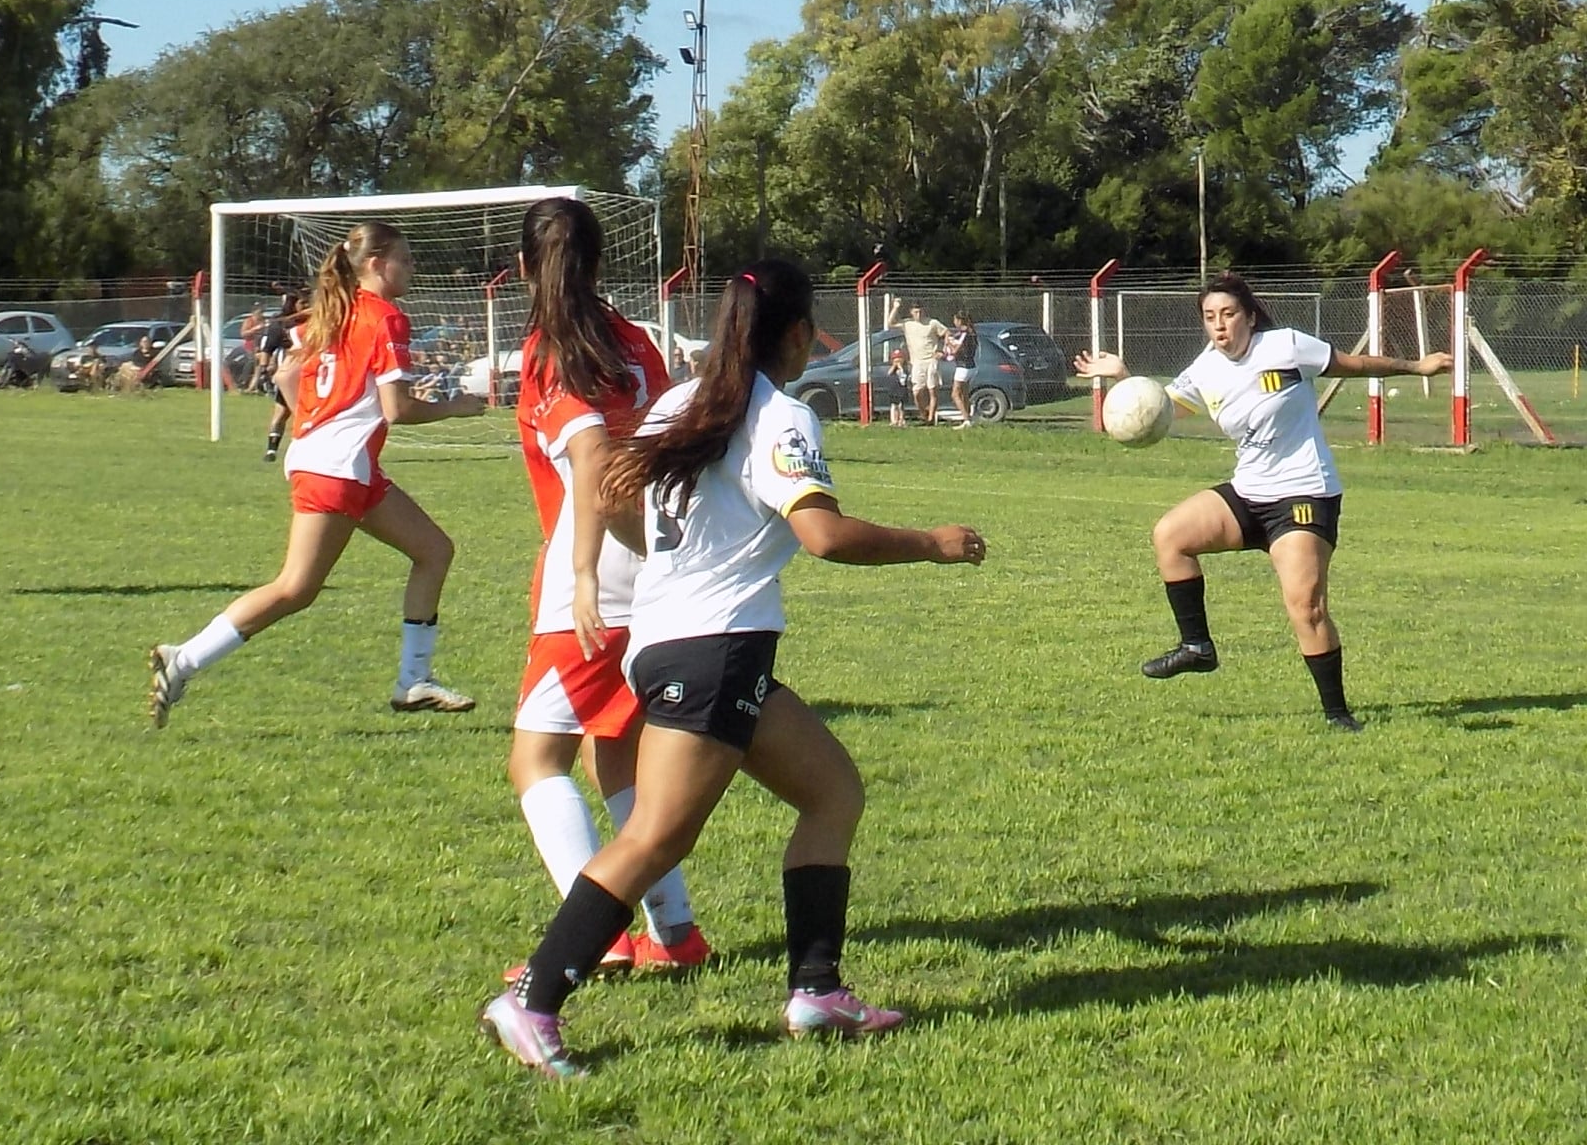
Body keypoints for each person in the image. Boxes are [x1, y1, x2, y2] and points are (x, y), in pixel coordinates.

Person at [480, 259, 988, 1079]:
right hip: (713, 651)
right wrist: (931, 543)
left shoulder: (679, 401)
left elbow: (607, 495)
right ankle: (531, 1001)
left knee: (833, 793)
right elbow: (821, 536)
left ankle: (817, 990)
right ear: (794, 335)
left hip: (675, 640)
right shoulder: (780, 414)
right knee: (654, 836)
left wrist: (674, 563)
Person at [1073, 270, 1453, 732]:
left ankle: (1337, 713)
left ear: (1249, 317)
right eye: (1210, 317)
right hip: (1249, 492)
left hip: (1302, 492)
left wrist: (1416, 367)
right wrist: (1125, 376)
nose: (1219, 325)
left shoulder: (1286, 346)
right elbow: (1159, 412)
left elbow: (1351, 366)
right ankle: (1197, 647)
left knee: (1305, 608)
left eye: (1228, 314)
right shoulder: (1206, 368)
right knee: (1170, 536)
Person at [149, 221, 488, 727]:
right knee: (296, 588)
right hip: (336, 468)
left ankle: (413, 681)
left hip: (340, 463)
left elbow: (286, 373)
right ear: (377, 264)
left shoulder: (333, 312)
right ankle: (185, 659)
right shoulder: (386, 318)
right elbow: (397, 409)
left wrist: (312, 422)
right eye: (407, 260)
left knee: (434, 549)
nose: (413, 269)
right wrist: (457, 407)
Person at [504, 195, 710, 979]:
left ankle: (597, 937)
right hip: (652, 555)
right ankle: (677, 932)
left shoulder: (549, 348)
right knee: (615, 753)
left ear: (524, 267)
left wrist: (585, 575)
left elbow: (591, 459)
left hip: (590, 569)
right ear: (599, 265)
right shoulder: (633, 340)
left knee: (536, 760)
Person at [887, 301, 949, 425]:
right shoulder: (907, 324)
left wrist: (942, 350)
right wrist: (895, 307)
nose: (918, 314)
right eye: (915, 312)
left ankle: (931, 418)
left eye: (920, 311)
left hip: (931, 360)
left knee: (932, 390)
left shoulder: (932, 323)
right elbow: (890, 323)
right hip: (917, 362)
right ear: (911, 312)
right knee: (917, 392)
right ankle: (924, 414)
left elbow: (946, 332)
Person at [257, 293, 301, 460]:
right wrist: (263, 372)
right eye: (302, 302)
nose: (305, 306)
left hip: (313, 376)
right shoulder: (281, 325)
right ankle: (271, 450)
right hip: (291, 377)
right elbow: (267, 349)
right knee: (282, 412)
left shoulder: (314, 321)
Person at [947, 312, 979, 429]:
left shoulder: (964, 334)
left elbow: (956, 350)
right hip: (972, 366)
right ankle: (969, 418)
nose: (954, 322)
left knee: (955, 394)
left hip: (963, 367)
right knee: (964, 393)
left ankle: (966, 419)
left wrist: (948, 343)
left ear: (960, 320)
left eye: (955, 320)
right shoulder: (972, 332)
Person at [887, 348, 909, 426]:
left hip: (901, 390)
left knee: (901, 406)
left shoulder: (904, 369)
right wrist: (894, 366)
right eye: (895, 360)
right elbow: (889, 373)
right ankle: (894, 420)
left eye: (899, 360)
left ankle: (901, 419)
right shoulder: (892, 370)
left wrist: (900, 367)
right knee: (894, 406)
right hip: (893, 390)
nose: (897, 362)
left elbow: (904, 376)